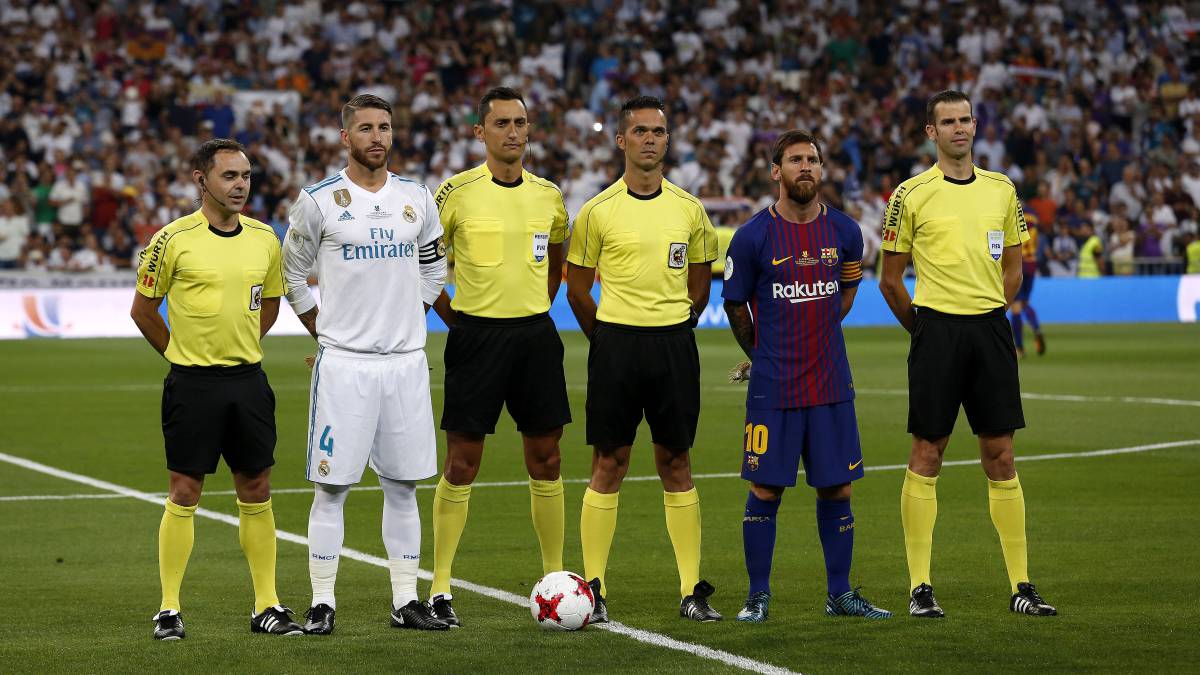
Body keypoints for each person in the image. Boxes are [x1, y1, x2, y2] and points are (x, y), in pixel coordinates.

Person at [878, 90, 1057, 618]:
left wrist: (989, 315)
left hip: (990, 330)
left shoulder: (1002, 190)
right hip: (936, 329)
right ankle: (919, 587)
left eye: (965, 120)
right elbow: (890, 280)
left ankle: (1022, 585)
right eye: (947, 122)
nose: (959, 129)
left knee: (1000, 454)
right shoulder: (910, 194)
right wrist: (924, 330)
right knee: (927, 453)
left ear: (975, 126)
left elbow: (1015, 267)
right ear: (930, 133)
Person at [282, 94, 450, 634]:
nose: (377, 137)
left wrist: (411, 313)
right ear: (344, 137)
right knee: (332, 488)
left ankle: (405, 601)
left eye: (385, 127)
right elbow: (292, 275)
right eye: (365, 128)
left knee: (403, 486)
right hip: (345, 367)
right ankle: (323, 601)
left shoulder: (418, 198)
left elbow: (434, 267)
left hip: (405, 364)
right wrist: (324, 330)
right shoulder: (318, 201)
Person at [130, 138, 302, 640]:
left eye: (246, 175)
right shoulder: (170, 240)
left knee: (257, 489)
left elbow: (269, 305)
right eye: (229, 176)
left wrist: (239, 344)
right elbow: (143, 311)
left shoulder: (265, 239)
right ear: (200, 180)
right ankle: (168, 609)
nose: (241, 185)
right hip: (192, 384)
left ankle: (266, 606)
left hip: (248, 380)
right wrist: (181, 355)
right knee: (184, 492)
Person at [722, 130, 892, 622]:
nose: (805, 167)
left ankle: (839, 594)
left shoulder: (845, 232)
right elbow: (735, 306)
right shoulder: (753, 236)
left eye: (812, 160)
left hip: (831, 384)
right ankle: (758, 596)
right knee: (765, 490)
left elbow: (845, 294)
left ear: (822, 170)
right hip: (773, 388)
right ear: (776, 171)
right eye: (794, 160)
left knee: (838, 489)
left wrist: (814, 334)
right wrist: (764, 353)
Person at [565, 95, 721, 623]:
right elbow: (578, 290)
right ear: (621, 140)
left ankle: (690, 592)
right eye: (641, 131)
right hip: (617, 346)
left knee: (676, 462)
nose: (650, 139)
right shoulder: (596, 211)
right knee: (609, 463)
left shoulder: (689, 209)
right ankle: (594, 588)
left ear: (667, 140)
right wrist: (605, 339)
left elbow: (700, 281)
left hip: (673, 345)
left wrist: (678, 321)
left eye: (659, 131)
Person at [426, 87, 571, 627]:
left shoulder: (548, 195)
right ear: (479, 132)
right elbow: (423, 264)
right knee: (461, 464)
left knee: (548, 459)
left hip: (535, 337)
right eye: (502, 123)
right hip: (475, 339)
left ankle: (554, 578)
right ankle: (440, 586)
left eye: (521, 122)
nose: (514, 132)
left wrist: (534, 306)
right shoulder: (453, 193)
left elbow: (556, 260)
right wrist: (453, 317)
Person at [1010, 207, 1045, 357]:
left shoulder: (1009, 214)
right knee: (1024, 303)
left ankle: (1019, 348)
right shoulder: (1033, 216)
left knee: (1016, 308)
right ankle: (1036, 328)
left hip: (1019, 263)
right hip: (1031, 265)